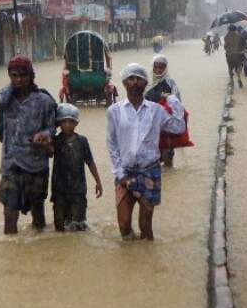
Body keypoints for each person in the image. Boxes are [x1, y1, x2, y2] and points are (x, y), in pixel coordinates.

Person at [107, 62, 188, 240]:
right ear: (124, 83)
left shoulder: (156, 111)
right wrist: (119, 174)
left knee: (145, 225)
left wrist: (172, 100)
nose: (135, 82)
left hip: (149, 172)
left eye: (139, 79)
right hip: (125, 172)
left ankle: (147, 257)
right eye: (131, 78)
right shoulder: (114, 111)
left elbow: (178, 127)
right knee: (124, 225)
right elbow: (112, 145)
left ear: (145, 84)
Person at [0, 55, 57, 234]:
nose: (18, 79)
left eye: (23, 75)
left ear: (31, 76)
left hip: (36, 164)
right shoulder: (6, 100)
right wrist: (12, 87)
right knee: (9, 215)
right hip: (11, 165)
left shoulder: (44, 101)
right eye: (14, 75)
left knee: (38, 217)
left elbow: (52, 128)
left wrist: (43, 135)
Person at [50, 103, 103, 231]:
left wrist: (98, 181)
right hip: (59, 192)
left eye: (71, 121)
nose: (67, 125)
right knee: (59, 227)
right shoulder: (55, 141)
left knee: (78, 226)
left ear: (76, 123)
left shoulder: (82, 141)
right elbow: (47, 153)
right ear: (59, 123)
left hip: (78, 191)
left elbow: (90, 162)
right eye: (64, 121)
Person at [145, 54, 188, 168]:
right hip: (149, 126)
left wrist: (168, 98)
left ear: (166, 68)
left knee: (167, 156)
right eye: (156, 67)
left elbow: (177, 105)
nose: (158, 70)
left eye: (161, 67)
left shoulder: (170, 83)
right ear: (152, 66)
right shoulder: (145, 83)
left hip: (166, 126)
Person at [222, 24, 246, 88]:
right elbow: (242, 45)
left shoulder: (226, 37)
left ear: (229, 29)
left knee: (230, 69)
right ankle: (239, 80)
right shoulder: (238, 35)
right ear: (235, 29)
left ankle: (232, 81)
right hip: (237, 55)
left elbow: (225, 46)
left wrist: (228, 50)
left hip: (230, 56)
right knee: (237, 69)